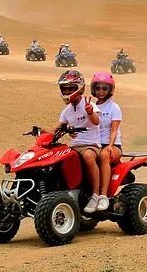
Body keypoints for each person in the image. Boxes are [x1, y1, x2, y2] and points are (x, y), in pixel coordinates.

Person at [43, 70, 102, 213]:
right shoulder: (66, 111)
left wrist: (89, 112)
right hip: (74, 147)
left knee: (88, 157)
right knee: (58, 159)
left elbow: (96, 122)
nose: (67, 91)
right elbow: (56, 128)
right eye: (65, 88)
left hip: (91, 145)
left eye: (70, 88)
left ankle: (95, 195)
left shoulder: (90, 105)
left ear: (79, 88)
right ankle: (67, 191)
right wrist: (42, 132)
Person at [91, 72, 123, 212]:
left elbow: (114, 130)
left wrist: (110, 145)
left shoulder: (113, 107)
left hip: (113, 145)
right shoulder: (91, 106)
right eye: (98, 88)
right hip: (95, 144)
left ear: (110, 89)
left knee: (104, 155)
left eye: (104, 88)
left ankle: (103, 196)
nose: (101, 91)